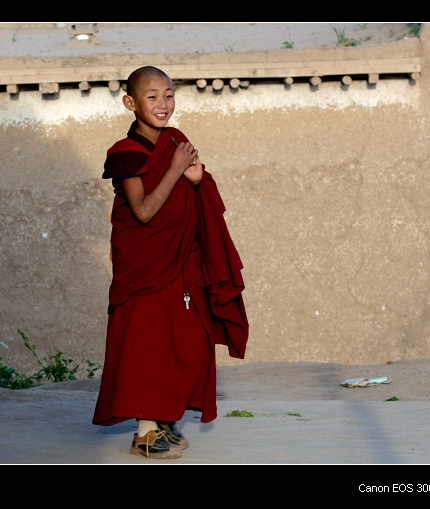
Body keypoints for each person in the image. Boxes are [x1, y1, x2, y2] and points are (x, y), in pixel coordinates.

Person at [92, 66, 249, 459]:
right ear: (130, 103)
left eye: (169, 94)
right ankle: (145, 432)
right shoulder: (124, 153)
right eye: (152, 96)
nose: (163, 104)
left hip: (181, 257)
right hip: (146, 263)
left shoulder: (176, 141)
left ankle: (165, 418)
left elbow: (193, 188)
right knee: (147, 340)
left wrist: (196, 179)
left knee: (183, 336)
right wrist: (178, 169)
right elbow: (143, 212)